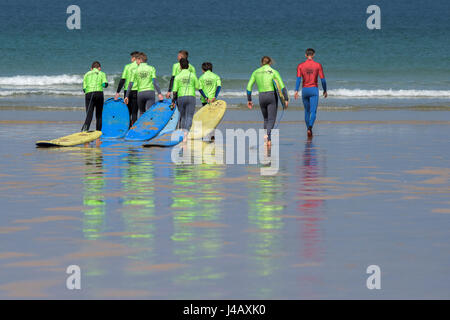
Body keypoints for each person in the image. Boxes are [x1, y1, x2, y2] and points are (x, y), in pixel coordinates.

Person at [246, 56, 289, 146]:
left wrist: (249, 99)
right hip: (271, 96)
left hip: (261, 96)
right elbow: (282, 86)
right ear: (270, 62)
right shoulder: (274, 72)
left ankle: (268, 141)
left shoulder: (255, 72)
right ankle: (267, 134)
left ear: (261, 63)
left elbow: (249, 87)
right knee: (271, 119)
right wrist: (286, 99)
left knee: (266, 119)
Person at [294, 48, 327, 138]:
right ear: (313, 55)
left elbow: (298, 79)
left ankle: (308, 129)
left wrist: (296, 90)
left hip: (305, 90)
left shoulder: (300, 66)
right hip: (314, 90)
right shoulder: (318, 65)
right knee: (313, 111)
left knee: (307, 111)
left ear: (305, 55)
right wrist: (325, 90)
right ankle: (310, 128)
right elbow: (323, 79)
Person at [171, 58, 207, 137]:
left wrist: (173, 101)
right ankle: (186, 134)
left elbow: (174, 91)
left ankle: (181, 134)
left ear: (180, 66)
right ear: (188, 66)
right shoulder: (193, 75)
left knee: (182, 116)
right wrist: (205, 97)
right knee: (189, 117)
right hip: (191, 97)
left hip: (181, 97)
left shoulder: (177, 76)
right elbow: (199, 87)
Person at [124, 52, 163, 117]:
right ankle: (149, 126)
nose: (136, 61)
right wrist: (159, 93)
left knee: (142, 112)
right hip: (150, 92)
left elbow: (130, 84)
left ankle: (141, 126)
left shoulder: (135, 70)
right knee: (150, 112)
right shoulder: (151, 68)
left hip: (140, 94)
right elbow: (155, 81)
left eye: (137, 60)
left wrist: (127, 96)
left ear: (139, 60)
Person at [115, 51, 139, 126]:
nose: (131, 59)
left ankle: (128, 128)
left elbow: (123, 80)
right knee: (135, 112)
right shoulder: (140, 67)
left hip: (127, 92)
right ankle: (134, 129)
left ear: (134, 58)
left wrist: (117, 92)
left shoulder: (127, 67)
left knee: (128, 111)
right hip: (137, 91)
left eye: (131, 57)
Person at [82, 61, 108, 131]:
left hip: (89, 94)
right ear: (99, 68)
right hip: (99, 94)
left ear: (91, 68)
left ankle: (85, 131)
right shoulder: (102, 73)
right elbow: (105, 84)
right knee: (99, 115)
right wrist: (101, 85)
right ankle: (98, 132)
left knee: (89, 115)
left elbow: (84, 88)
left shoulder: (87, 74)